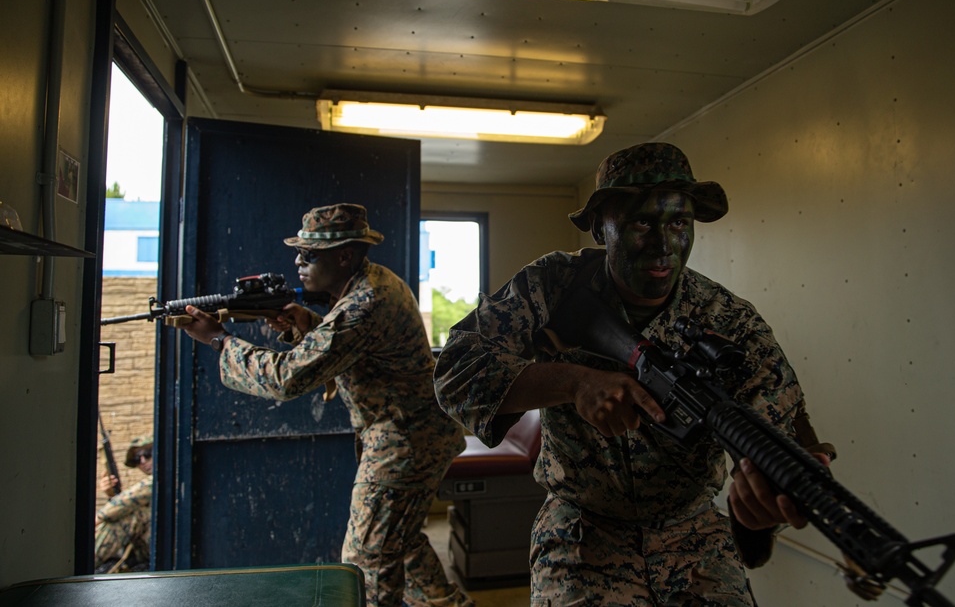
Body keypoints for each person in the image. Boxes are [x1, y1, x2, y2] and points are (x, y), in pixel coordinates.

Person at [433, 143, 849, 606]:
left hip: (693, 536)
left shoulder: (729, 319)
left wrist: (759, 510)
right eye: (641, 223)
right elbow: (455, 370)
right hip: (581, 534)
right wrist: (573, 382)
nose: (663, 244)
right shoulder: (553, 286)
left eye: (678, 223)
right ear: (600, 227)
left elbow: (783, 425)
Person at [181, 203, 473, 607]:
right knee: (398, 543)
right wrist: (307, 323)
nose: (298, 262)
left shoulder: (364, 303)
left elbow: (286, 378)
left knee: (366, 560)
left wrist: (220, 340)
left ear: (345, 255)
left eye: (309, 255)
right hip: (411, 433)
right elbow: (353, 348)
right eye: (299, 253)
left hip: (406, 440)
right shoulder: (370, 284)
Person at [95, 436, 153, 573]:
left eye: (147, 454)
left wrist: (99, 517)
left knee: (132, 516)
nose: (143, 461)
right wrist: (112, 495)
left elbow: (136, 495)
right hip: (145, 550)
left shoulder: (172, 474)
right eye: (137, 459)